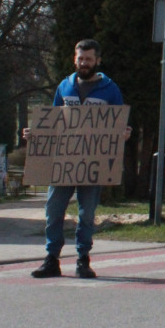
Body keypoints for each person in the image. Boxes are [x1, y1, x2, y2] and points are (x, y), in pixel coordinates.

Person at [28, 39, 130, 279]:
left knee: (86, 213)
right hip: (63, 162)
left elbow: (119, 122)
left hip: (92, 163)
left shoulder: (110, 89)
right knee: (53, 211)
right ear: (75, 59)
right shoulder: (64, 86)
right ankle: (51, 259)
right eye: (80, 58)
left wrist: (123, 133)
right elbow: (52, 120)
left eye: (88, 59)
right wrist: (36, 134)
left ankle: (83, 259)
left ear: (98, 61)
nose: (84, 63)